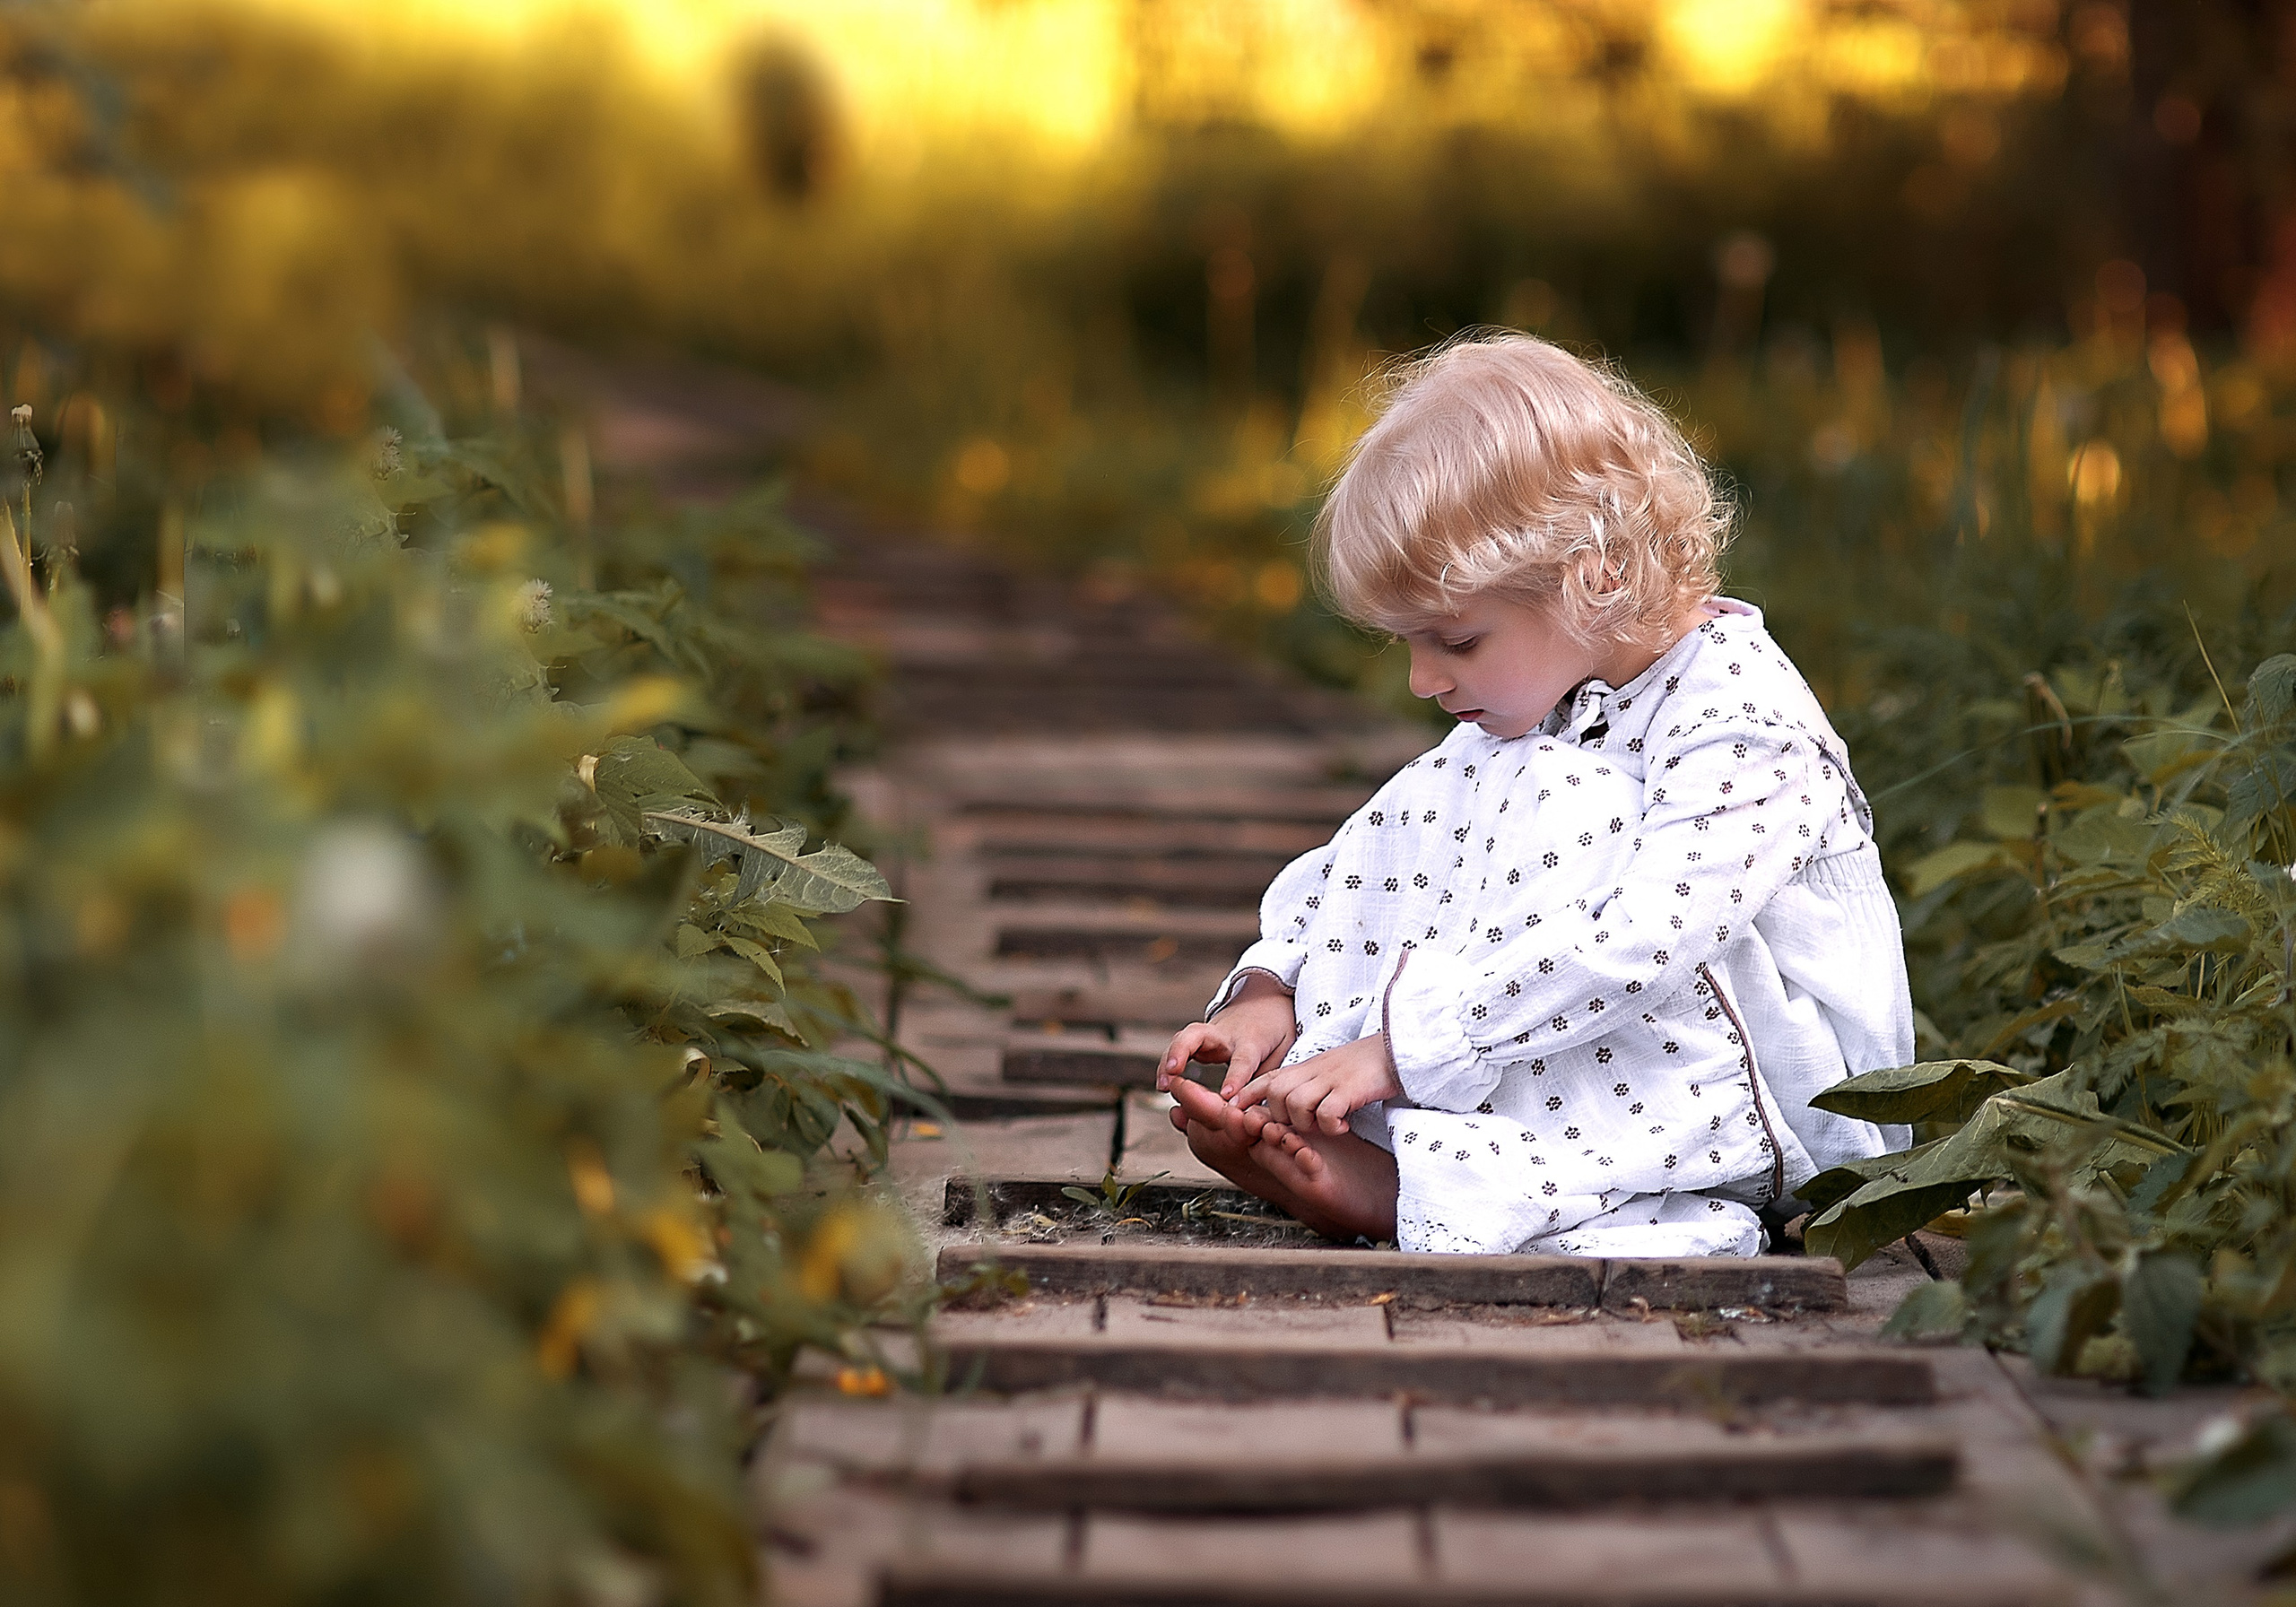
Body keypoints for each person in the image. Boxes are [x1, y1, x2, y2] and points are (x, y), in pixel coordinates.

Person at [1156, 333, 1912, 1257]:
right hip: (1593, 1053)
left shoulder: (1743, 721)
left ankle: (1432, 1186)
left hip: (1786, 1114)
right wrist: (1274, 983)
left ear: (1593, 575)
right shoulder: (1558, 696)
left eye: (1456, 641)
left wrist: (1403, 1051)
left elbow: (1648, 939)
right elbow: (1378, 843)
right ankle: (1394, 1132)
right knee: (1462, 778)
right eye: (1408, 645)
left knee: (1547, 789)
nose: (1422, 680)